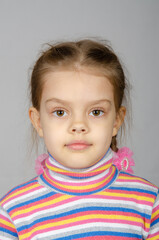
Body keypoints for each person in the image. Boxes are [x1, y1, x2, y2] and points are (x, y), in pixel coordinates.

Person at [0, 39, 158, 240]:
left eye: (96, 111)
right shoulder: (13, 212)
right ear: (38, 121)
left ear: (116, 121)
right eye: (59, 112)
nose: (78, 125)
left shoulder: (148, 202)